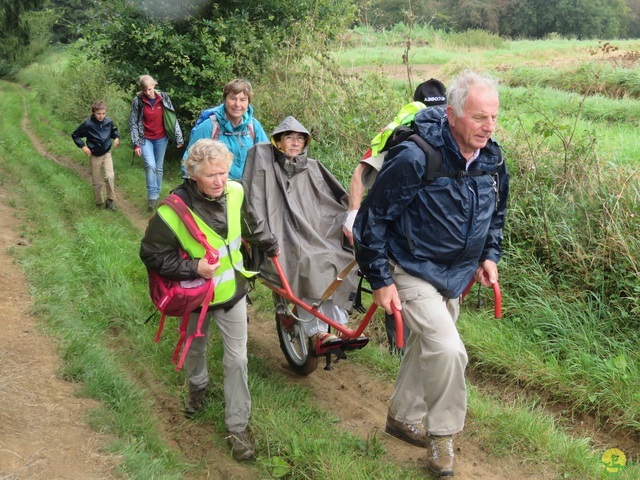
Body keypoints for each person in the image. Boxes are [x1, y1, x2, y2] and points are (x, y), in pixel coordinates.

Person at [353, 71, 509, 477]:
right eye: (479, 117)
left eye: (493, 117)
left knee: (427, 347)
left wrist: (488, 255)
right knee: (449, 350)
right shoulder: (416, 157)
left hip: (454, 274)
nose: (488, 127)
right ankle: (442, 435)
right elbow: (370, 221)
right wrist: (381, 280)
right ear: (453, 114)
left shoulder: (492, 159)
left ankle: (402, 417)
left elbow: (496, 215)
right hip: (410, 267)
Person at [139, 139, 277, 462]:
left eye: (224, 172)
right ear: (193, 174)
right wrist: (193, 267)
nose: (220, 180)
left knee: (238, 360)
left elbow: (251, 224)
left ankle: (237, 426)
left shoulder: (236, 191)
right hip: (194, 299)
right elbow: (150, 253)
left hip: (232, 294)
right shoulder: (172, 211)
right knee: (195, 350)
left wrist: (270, 244)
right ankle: (197, 388)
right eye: (212, 174)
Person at [343, 78, 447, 355]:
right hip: (394, 226)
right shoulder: (400, 132)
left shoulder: (453, 136)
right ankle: (399, 350)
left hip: (429, 237)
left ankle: (414, 349)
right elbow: (360, 172)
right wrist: (353, 217)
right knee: (396, 289)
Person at [241, 116, 357, 351]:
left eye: (300, 139)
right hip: (281, 236)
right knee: (307, 261)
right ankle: (318, 331)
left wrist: (353, 222)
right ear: (278, 142)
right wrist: (265, 238)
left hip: (314, 233)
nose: (295, 143)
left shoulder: (312, 167)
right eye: (289, 138)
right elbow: (253, 205)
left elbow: (334, 201)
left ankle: (337, 324)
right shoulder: (264, 166)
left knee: (340, 257)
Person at [182, 79, 268, 181]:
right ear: (224, 100)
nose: (237, 104)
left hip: (248, 189)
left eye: (243, 100)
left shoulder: (254, 126)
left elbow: (266, 158)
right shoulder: (210, 126)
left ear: (248, 103)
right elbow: (190, 161)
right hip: (216, 188)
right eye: (233, 98)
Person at [129, 74, 184, 212]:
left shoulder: (164, 98)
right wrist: (136, 144)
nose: (148, 92)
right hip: (145, 138)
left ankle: (156, 194)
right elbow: (133, 123)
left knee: (158, 167)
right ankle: (152, 196)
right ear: (141, 89)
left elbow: (172, 118)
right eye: (145, 90)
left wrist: (178, 137)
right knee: (150, 165)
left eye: (150, 89)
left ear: (154, 85)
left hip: (161, 137)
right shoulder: (138, 101)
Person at [71, 100, 120, 210]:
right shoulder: (88, 124)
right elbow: (75, 135)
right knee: (97, 181)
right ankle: (99, 203)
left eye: (103, 113)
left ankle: (110, 201)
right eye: (98, 113)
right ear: (93, 112)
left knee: (110, 176)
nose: (101, 116)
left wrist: (116, 138)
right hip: (95, 155)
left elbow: (113, 131)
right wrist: (83, 147)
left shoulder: (108, 122)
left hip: (107, 152)